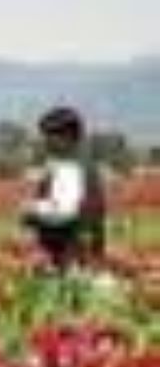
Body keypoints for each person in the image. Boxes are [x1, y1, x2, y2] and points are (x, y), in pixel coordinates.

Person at [20, 106, 107, 272]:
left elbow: (62, 213)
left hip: (70, 255)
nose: (45, 142)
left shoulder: (71, 166)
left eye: (49, 136)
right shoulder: (80, 162)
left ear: (66, 136)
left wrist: (31, 211)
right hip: (83, 251)